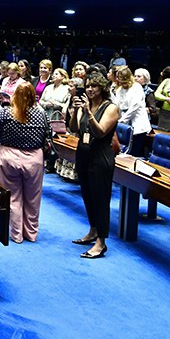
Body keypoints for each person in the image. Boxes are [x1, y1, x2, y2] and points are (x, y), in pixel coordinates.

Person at [0, 83, 49, 244]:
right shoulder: (42, 114)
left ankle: (16, 234)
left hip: (9, 157)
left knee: (13, 197)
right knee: (33, 198)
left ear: (14, 96)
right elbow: (49, 136)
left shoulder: (6, 113)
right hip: (34, 160)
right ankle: (31, 234)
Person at [69, 73, 119, 258]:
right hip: (83, 154)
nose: (90, 89)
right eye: (88, 86)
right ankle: (92, 231)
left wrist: (89, 114)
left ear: (102, 88)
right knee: (87, 196)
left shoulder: (111, 108)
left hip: (101, 157)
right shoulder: (84, 105)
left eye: (94, 86)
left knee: (101, 199)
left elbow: (100, 132)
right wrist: (75, 111)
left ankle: (101, 242)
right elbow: (74, 128)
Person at [112, 66, 151, 157]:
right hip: (124, 124)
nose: (120, 81)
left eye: (121, 79)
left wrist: (122, 120)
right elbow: (117, 105)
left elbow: (135, 106)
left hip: (137, 124)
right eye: (118, 78)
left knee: (135, 153)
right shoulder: (119, 90)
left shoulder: (137, 87)